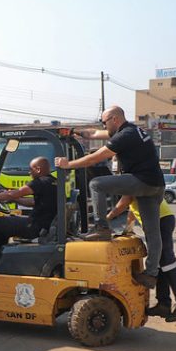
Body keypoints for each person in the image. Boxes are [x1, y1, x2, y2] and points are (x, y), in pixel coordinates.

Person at [55, 106, 164, 289]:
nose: (103, 126)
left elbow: (96, 157)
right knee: (152, 232)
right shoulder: (133, 130)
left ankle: (101, 227)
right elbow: (95, 133)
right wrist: (77, 133)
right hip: (156, 185)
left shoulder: (125, 135)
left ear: (114, 119)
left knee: (96, 184)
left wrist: (68, 164)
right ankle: (151, 274)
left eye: (104, 122)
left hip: (142, 181)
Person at [108, 195, 176, 322]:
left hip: (160, 220)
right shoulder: (138, 181)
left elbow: (121, 205)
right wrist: (128, 228)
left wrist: (104, 219)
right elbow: (132, 209)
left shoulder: (131, 182)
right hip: (162, 219)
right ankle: (163, 303)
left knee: (168, 261)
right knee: (160, 262)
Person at [0, 157, 57, 267]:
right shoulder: (52, 181)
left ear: (38, 169)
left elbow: (16, 193)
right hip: (42, 225)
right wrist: (15, 200)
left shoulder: (40, 182)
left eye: (31, 169)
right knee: (5, 225)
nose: (29, 172)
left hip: (35, 226)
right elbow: (32, 202)